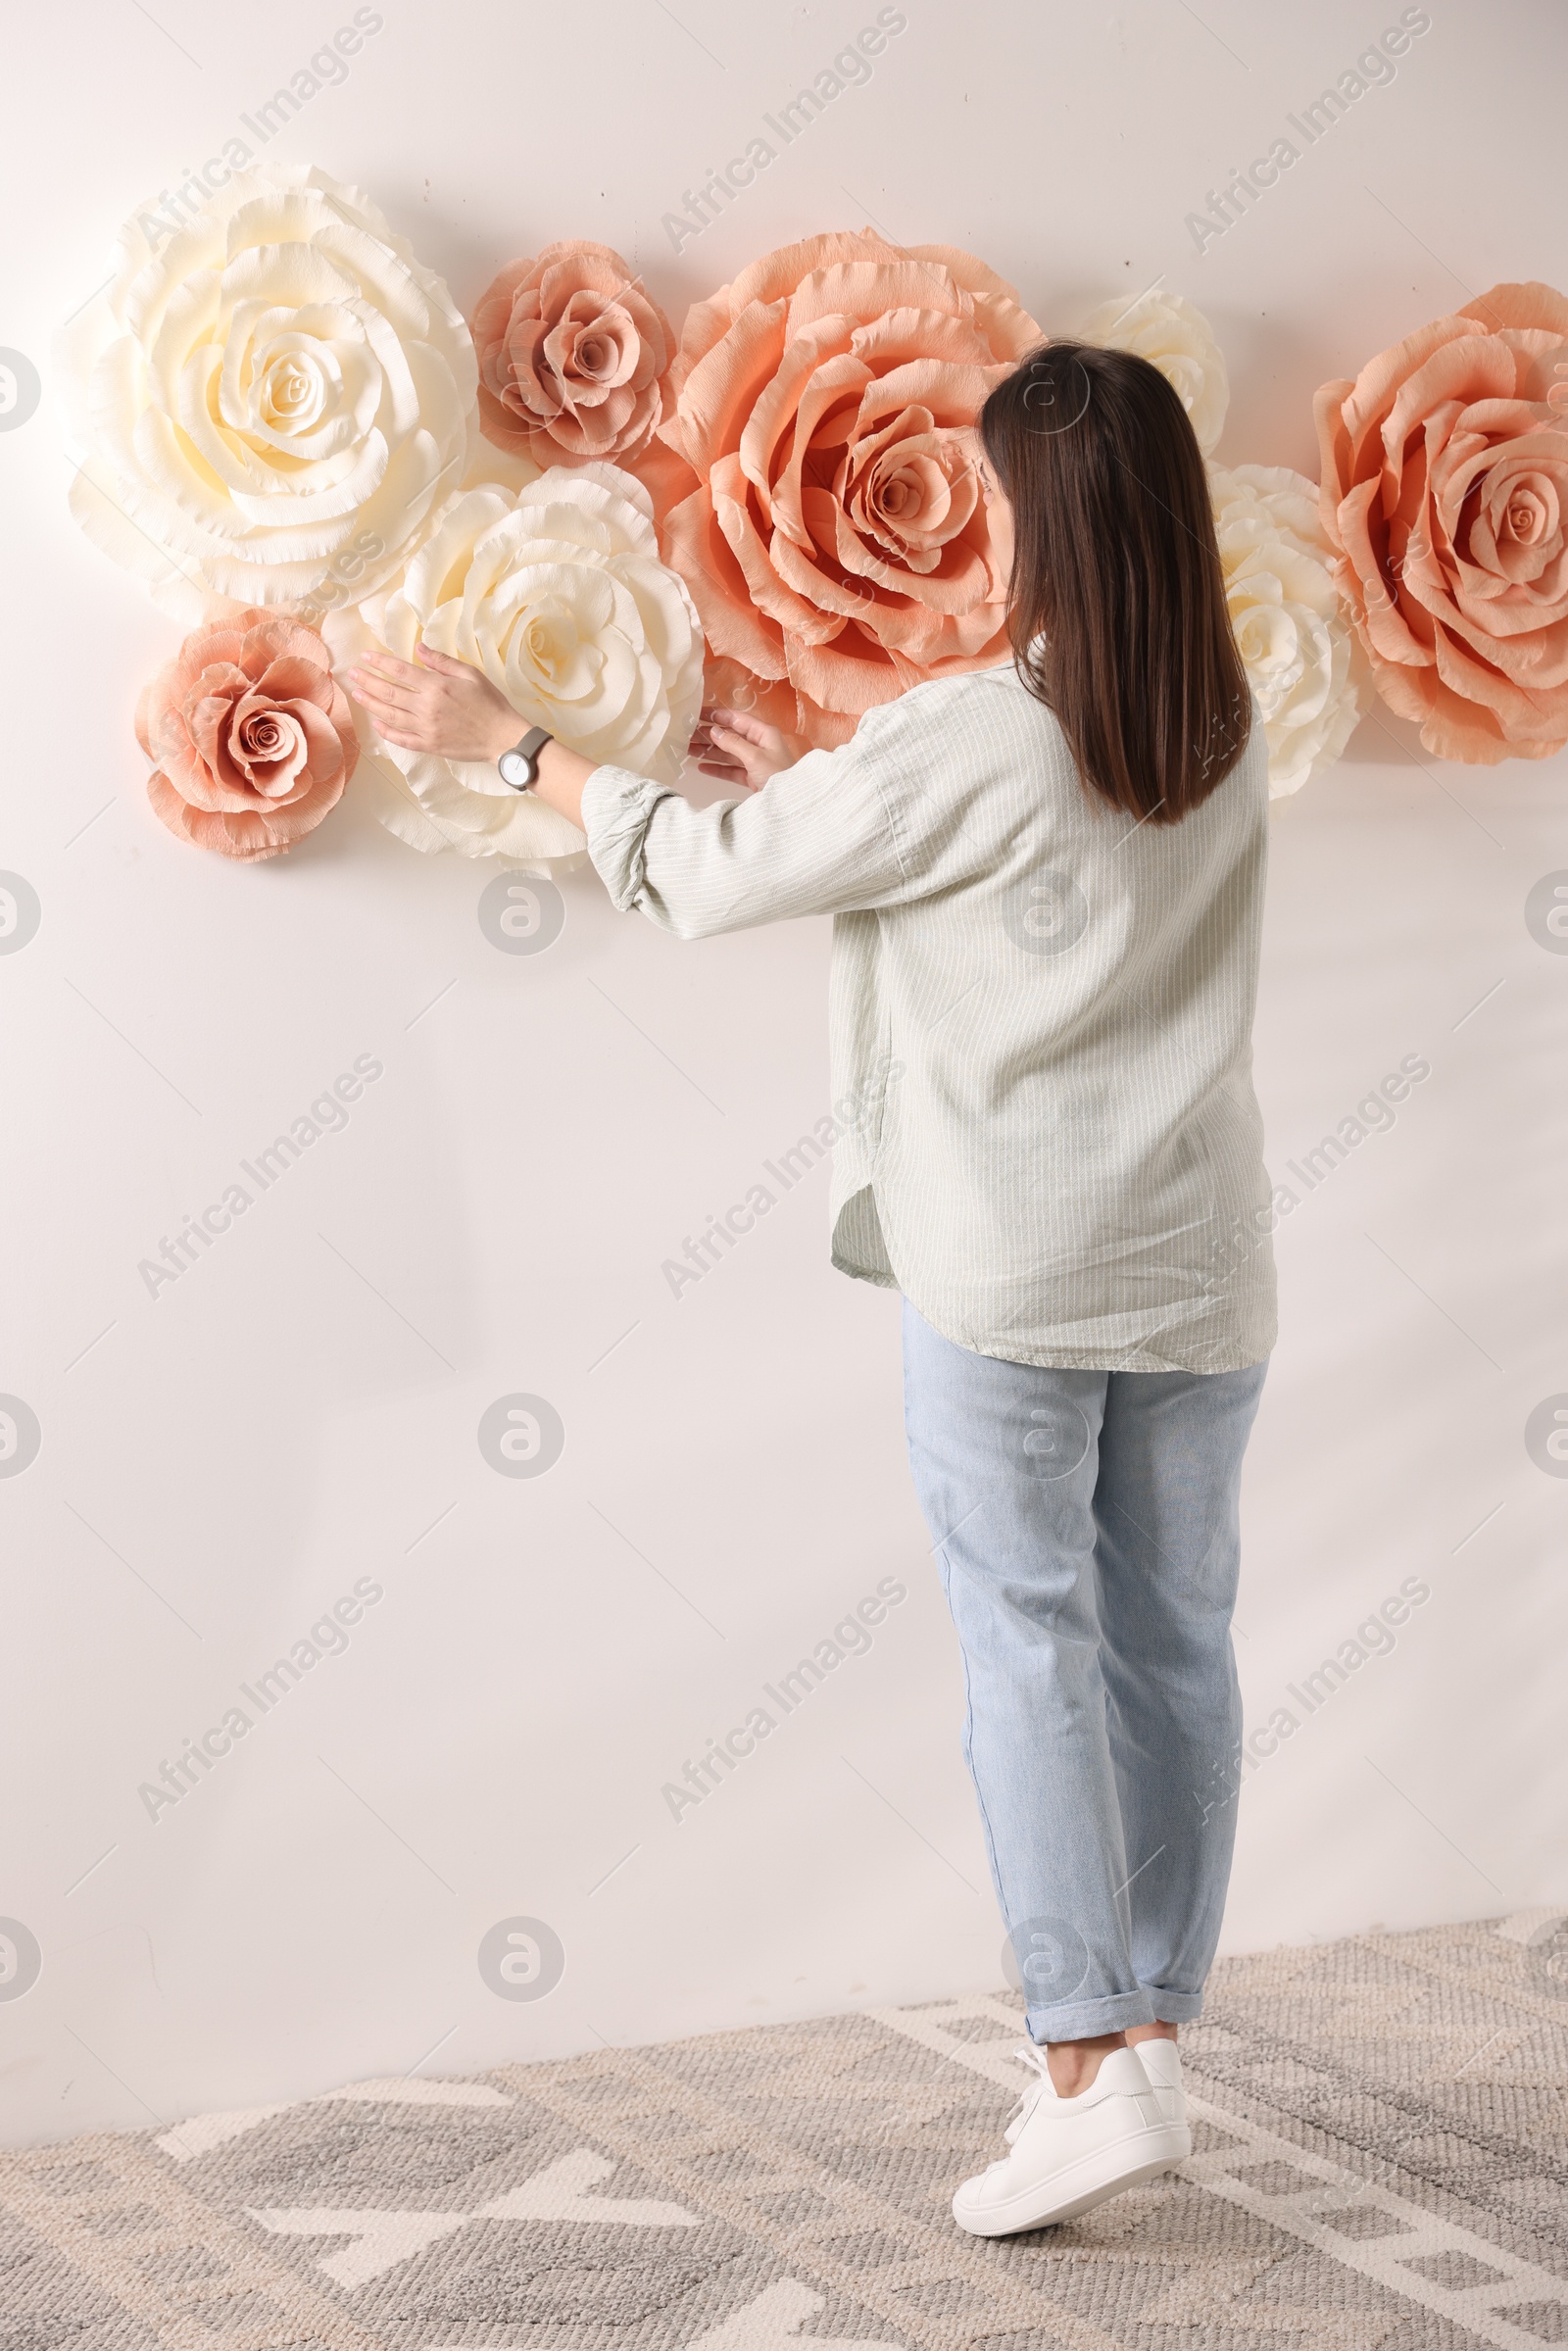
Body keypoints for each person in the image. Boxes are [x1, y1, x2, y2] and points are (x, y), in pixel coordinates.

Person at [349, 339, 1275, 2239]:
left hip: (1012, 1272)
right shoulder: (1219, 721)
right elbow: (980, 867)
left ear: (1039, 519)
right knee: (1170, 1646)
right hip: (1194, 1261)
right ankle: (1149, 2030)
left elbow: (694, 876)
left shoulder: (982, 733)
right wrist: (833, 791)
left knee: (1027, 1640)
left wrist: (506, 740)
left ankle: (1086, 2066)